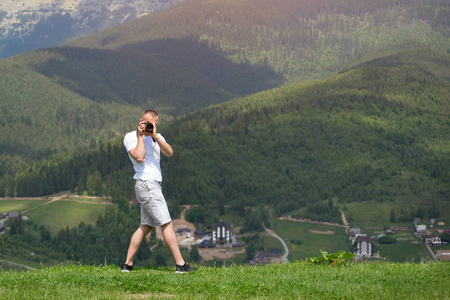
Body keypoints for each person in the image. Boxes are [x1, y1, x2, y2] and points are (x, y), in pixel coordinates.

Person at [121, 109, 197, 273]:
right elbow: (139, 157)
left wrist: (154, 135)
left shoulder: (157, 137)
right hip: (147, 185)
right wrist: (141, 136)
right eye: (146, 122)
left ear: (155, 124)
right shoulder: (130, 137)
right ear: (140, 120)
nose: (148, 126)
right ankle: (181, 265)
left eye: (152, 124)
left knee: (146, 226)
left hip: (152, 185)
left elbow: (169, 152)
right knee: (166, 224)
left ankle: (127, 265)